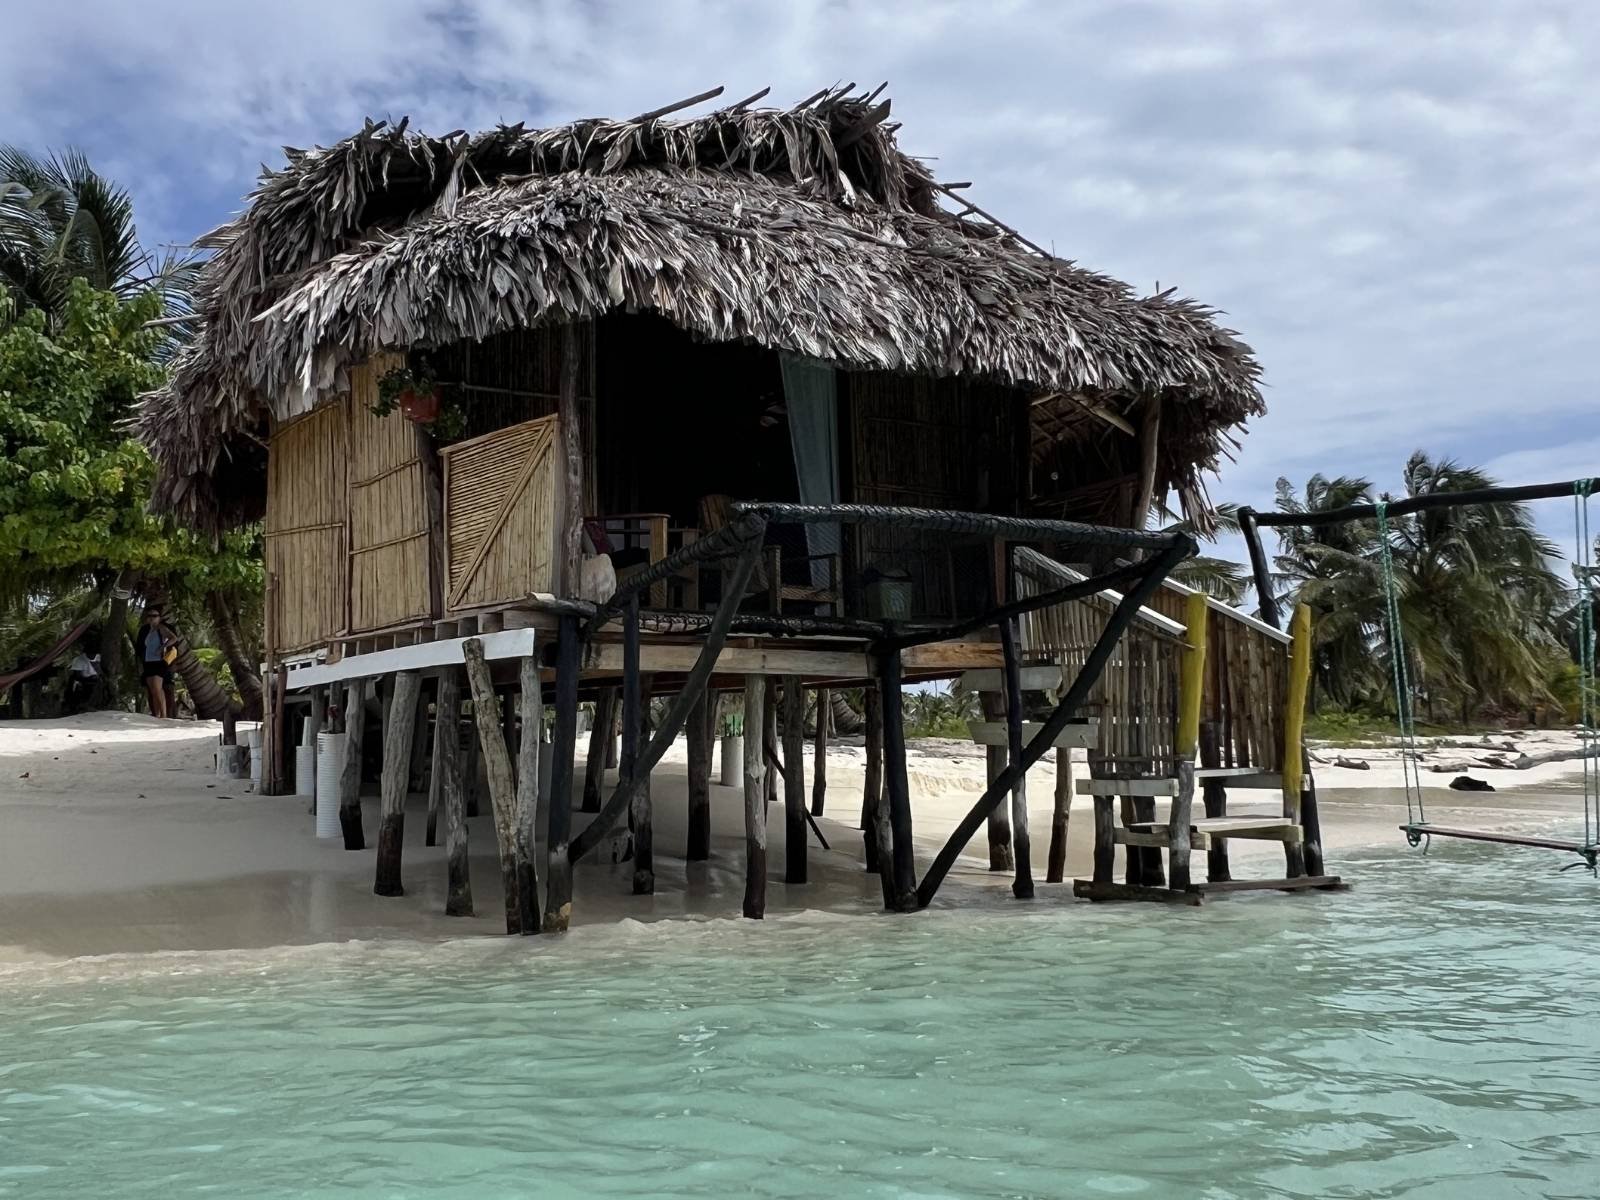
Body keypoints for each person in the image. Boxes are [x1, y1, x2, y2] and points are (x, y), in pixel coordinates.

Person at [139, 606, 177, 719]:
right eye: (149, 616)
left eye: (154, 616)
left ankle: (164, 715)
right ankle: (157, 714)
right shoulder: (146, 630)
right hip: (148, 661)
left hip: (159, 661)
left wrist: (163, 647)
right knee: (153, 690)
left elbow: (173, 638)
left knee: (157, 688)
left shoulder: (161, 628)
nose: (152, 618)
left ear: (159, 618)